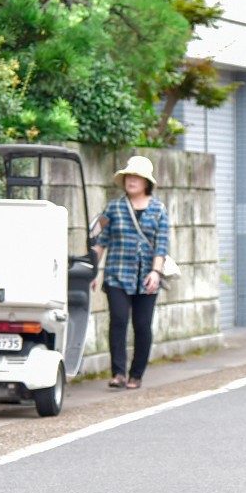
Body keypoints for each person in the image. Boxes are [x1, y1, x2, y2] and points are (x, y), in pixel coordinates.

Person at [91, 154, 169, 391]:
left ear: (147, 183)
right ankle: (118, 373)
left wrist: (156, 272)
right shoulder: (113, 207)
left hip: (147, 276)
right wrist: (92, 271)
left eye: (137, 177)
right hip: (117, 274)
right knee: (119, 320)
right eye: (129, 176)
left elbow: (161, 244)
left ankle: (136, 374)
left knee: (143, 325)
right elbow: (100, 241)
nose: (132, 180)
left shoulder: (158, 210)